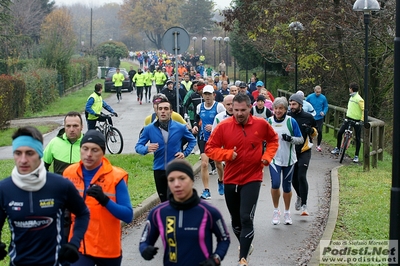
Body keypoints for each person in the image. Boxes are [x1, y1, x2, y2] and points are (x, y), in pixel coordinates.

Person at [205, 94, 279, 265]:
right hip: (230, 178)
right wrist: (227, 154)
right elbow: (210, 148)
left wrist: (267, 156)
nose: (238, 113)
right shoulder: (224, 127)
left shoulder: (261, 124)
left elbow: (273, 140)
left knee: (246, 217)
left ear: (249, 108)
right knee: (236, 221)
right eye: (235, 110)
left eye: (242, 110)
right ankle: (245, 245)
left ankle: (242, 259)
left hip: (253, 177)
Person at [0, 126, 89, 265]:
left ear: (40, 154)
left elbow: (83, 213)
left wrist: (74, 243)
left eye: (30, 153)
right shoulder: (4, 189)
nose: (23, 160)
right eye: (18, 153)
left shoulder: (60, 185)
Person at [139, 159, 230, 265]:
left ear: (192, 180)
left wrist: (216, 258)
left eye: (182, 178)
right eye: (171, 180)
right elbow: (144, 241)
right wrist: (145, 250)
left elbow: (224, 238)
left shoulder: (209, 212)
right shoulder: (158, 213)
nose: (177, 184)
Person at [63, 130, 133, 265]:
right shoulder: (69, 173)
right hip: (79, 246)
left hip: (107, 248)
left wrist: (105, 200)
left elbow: (128, 216)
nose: (89, 154)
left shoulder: (116, 177)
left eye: (95, 150)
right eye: (85, 149)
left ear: (103, 153)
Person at [136, 99, 197, 202]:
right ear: (157, 111)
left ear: (171, 111)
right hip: (159, 169)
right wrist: (146, 149)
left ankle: (178, 216)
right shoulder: (149, 129)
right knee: (164, 200)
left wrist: (184, 153)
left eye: (166, 109)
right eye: (160, 109)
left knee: (175, 199)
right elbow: (138, 146)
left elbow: (192, 141)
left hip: (175, 168)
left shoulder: (180, 127)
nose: (163, 111)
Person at [267, 97, 303, 225]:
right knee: (275, 184)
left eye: (280, 108)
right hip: (274, 159)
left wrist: (290, 138)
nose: (278, 111)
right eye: (276, 108)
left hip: (288, 159)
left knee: (287, 187)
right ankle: (276, 210)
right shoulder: (269, 121)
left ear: (285, 109)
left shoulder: (291, 122)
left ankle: (287, 213)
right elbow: (262, 138)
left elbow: (300, 139)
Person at [192, 85, 225, 200]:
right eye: (205, 94)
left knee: (218, 164)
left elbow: (224, 121)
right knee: (204, 164)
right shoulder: (199, 106)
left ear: (213, 95)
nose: (207, 96)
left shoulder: (219, 107)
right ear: (203, 95)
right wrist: (195, 126)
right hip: (203, 138)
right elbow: (197, 118)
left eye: (209, 94)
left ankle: (221, 181)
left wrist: (214, 127)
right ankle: (206, 190)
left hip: (216, 139)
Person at [288, 93, 318, 216]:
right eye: (290, 104)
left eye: (294, 104)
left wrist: (311, 131)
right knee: (293, 179)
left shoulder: (308, 117)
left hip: (304, 150)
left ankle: (304, 205)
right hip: (292, 151)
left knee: (301, 176)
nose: (291, 106)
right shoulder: (288, 116)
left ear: (300, 104)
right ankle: (299, 195)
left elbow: (316, 133)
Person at [331, 82, 364, 163]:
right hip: (348, 118)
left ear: (351, 89)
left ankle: (356, 156)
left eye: (349, 88)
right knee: (340, 132)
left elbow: (363, 110)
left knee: (358, 138)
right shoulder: (351, 97)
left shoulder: (359, 99)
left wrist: (361, 121)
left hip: (356, 121)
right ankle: (338, 148)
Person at [211, 94, 235, 196]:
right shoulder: (219, 117)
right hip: (220, 145)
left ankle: (230, 185)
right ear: (224, 105)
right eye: (228, 104)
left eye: (232, 104)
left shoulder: (240, 116)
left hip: (234, 146)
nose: (230, 107)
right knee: (218, 165)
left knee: (230, 168)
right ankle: (221, 180)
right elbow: (214, 134)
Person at [306, 85, 329, 151]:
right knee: (309, 130)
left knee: (320, 131)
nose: (318, 93)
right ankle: (309, 143)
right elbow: (305, 104)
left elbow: (326, 106)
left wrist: (324, 112)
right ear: (314, 91)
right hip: (311, 117)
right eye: (317, 92)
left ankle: (318, 145)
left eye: (319, 92)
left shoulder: (323, 98)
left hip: (319, 117)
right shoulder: (310, 97)